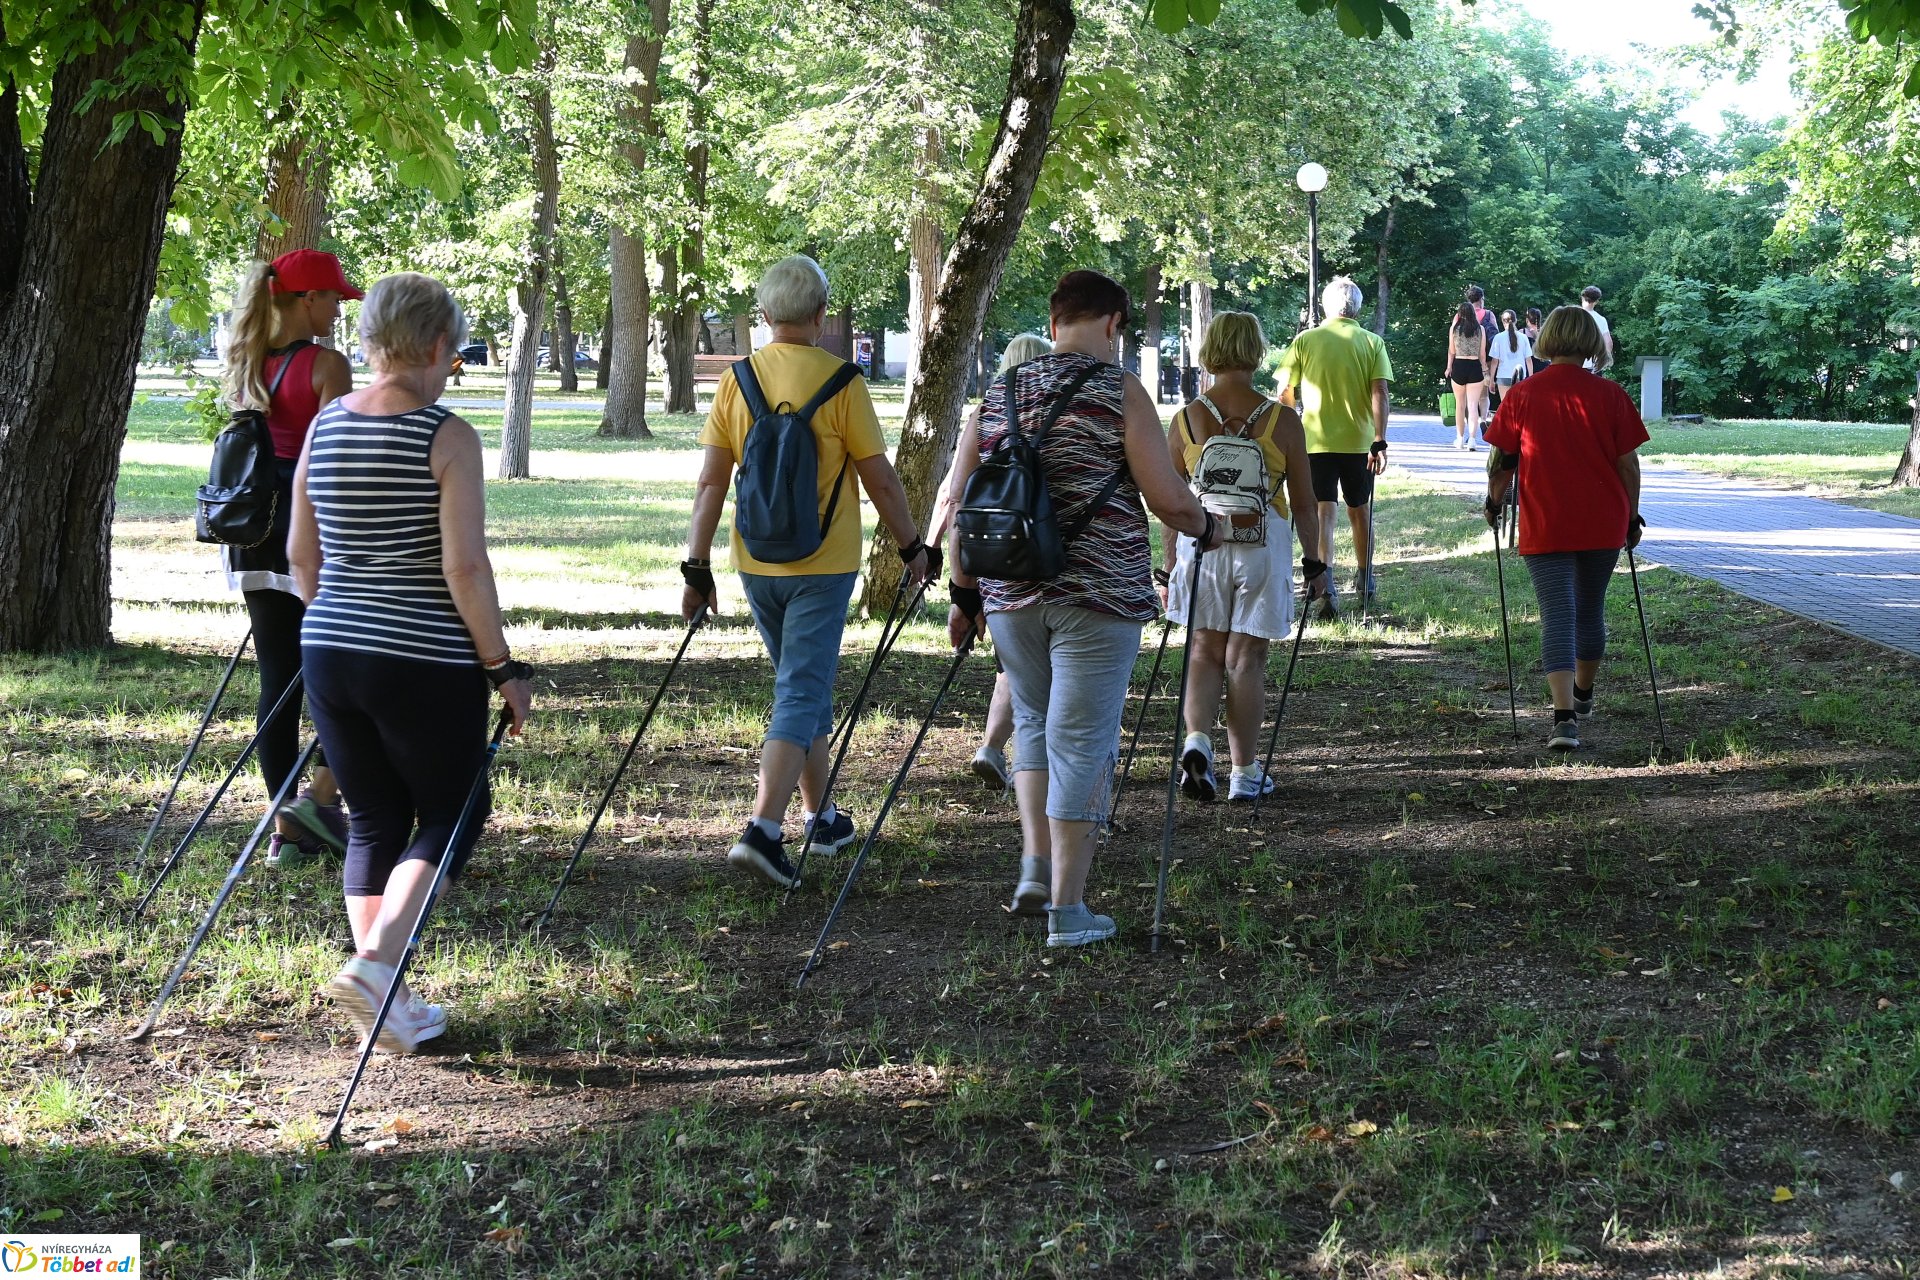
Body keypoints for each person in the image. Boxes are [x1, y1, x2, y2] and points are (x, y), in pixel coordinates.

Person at [288, 271, 533, 1052]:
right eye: (453, 354)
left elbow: (301, 556)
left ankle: (384, 995)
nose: (451, 367)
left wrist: (342, 621)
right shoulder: (446, 436)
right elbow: (465, 568)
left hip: (328, 647)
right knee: (456, 812)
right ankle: (376, 966)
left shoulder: (326, 426)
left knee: (374, 819)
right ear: (436, 346)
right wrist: (502, 667)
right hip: (422, 658)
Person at [945, 269, 1221, 946]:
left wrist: (964, 592)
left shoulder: (999, 393)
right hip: (1097, 593)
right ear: (1113, 324)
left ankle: (1036, 868)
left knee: (1035, 725)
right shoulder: (1118, 390)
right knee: (1084, 740)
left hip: (1010, 592)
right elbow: (1166, 497)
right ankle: (1069, 911)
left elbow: (961, 501)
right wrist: (1207, 525)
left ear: (1054, 320)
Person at [681, 255, 929, 890]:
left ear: (764, 316)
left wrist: (696, 567)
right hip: (824, 565)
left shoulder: (737, 380)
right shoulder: (843, 382)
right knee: (799, 691)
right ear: (821, 315)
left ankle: (823, 817)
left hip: (756, 562)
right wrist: (912, 547)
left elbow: (711, 482)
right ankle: (763, 829)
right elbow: (879, 479)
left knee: (804, 687)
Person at [220, 249, 357, 867]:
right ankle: (320, 803)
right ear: (307, 299)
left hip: (253, 533)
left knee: (278, 679)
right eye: (333, 298)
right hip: (309, 536)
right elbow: (334, 463)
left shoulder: (246, 358)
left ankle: (286, 826)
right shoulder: (328, 365)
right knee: (340, 673)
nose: (338, 310)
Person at [1161, 313, 1324, 803]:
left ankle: (1197, 742)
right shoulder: (1283, 420)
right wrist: (1315, 563)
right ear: (1256, 352)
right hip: (1261, 545)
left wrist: (1170, 567)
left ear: (1209, 351)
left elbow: (1171, 502)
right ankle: (1244, 773)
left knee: (1202, 651)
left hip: (1202, 542)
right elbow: (1305, 503)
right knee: (1246, 659)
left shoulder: (1186, 419)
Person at [1482, 306, 1647, 752]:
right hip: (1603, 521)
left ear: (1548, 338)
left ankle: (1564, 719)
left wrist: (1494, 503)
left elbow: (1502, 462)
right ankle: (1584, 695)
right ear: (1591, 342)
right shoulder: (1610, 395)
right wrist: (1632, 516)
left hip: (1546, 520)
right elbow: (1628, 464)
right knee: (1590, 609)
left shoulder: (1522, 394)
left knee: (1558, 614)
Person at [927, 333, 1054, 789]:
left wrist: (955, 580)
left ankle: (992, 746)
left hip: (991, 554)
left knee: (1012, 663)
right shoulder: (1058, 416)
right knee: (1044, 669)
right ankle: (1028, 760)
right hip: (1045, 555)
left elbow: (953, 496)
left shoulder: (986, 415)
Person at [1276, 276, 1394, 617]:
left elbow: (1284, 391)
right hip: (1360, 444)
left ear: (1326, 306)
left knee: (1323, 513)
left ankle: (1326, 585)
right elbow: (1380, 392)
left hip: (1315, 442)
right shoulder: (1372, 342)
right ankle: (1365, 579)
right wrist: (1379, 438)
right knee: (1360, 510)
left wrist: (1293, 427)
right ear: (1357, 308)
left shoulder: (1305, 340)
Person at [1445, 301, 1489, 452]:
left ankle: (1459, 439)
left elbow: (1451, 350)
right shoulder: (1480, 329)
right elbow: (1482, 353)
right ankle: (1472, 440)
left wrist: (1449, 367)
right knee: (1473, 406)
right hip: (1475, 366)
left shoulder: (1454, 329)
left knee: (1460, 405)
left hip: (1459, 365)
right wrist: (1485, 369)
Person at [1491, 309, 1533, 400]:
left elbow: (1494, 361)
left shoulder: (1498, 337)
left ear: (1503, 321)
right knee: (1519, 404)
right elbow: (1528, 360)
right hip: (1520, 376)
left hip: (1503, 376)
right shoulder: (1523, 337)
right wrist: (1531, 378)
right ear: (1516, 320)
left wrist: (1491, 380)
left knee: (1505, 404)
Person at [1580, 286, 1614, 372]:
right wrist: (1603, 361)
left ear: (1582, 297)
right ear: (1597, 301)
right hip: (1593, 365)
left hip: (1574, 363)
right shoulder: (1601, 319)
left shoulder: (1573, 316)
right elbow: (1608, 343)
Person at [1524, 308, 1547, 376]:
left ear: (1527, 320)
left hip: (1528, 367)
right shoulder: (1544, 332)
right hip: (1543, 366)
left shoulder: (1522, 332)